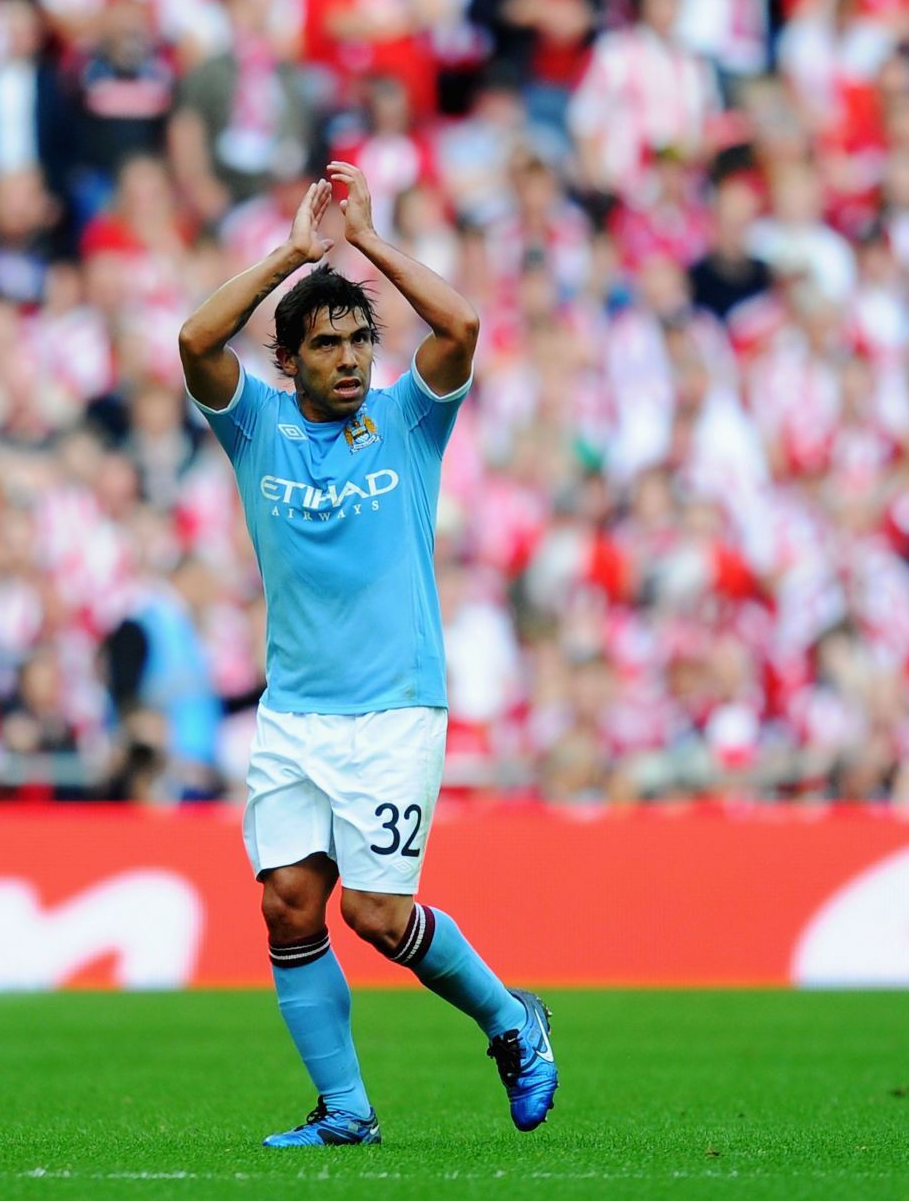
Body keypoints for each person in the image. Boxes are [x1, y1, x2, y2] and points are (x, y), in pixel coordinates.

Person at [177, 162, 557, 1147]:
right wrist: (298, 255)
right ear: (290, 361)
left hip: (394, 705)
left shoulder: (408, 421)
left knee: (380, 915)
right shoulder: (256, 427)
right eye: (326, 342)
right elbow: (192, 339)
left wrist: (369, 246)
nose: (348, 357)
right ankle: (345, 1106)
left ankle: (513, 1021)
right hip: (295, 711)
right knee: (288, 903)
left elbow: (463, 328)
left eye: (358, 338)